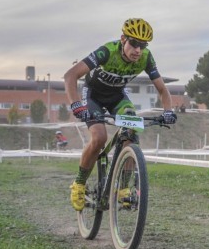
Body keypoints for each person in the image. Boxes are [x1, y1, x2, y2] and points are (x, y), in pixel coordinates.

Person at [64, 18, 177, 211]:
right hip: (93, 96)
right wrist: (76, 105)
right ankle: (79, 183)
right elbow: (70, 75)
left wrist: (168, 111)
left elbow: (162, 90)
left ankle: (124, 188)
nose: (138, 50)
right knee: (99, 138)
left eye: (143, 45)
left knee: (132, 132)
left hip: (117, 97)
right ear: (123, 39)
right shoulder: (107, 51)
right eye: (134, 43)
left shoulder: (146, 57)